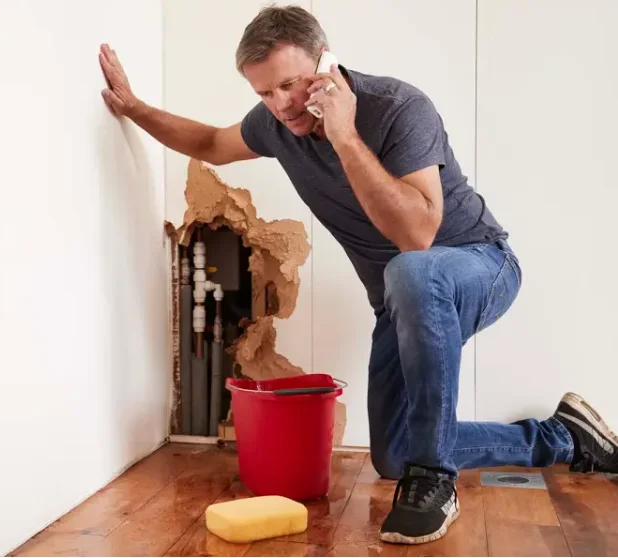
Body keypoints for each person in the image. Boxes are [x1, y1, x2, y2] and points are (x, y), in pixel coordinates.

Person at [98, 5, 618, 546]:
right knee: (394, 452)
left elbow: (417, 235)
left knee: (412, 270)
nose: (280, 106)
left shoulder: (399, 108)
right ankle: (562, 439)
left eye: (290, 86)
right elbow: (210, 144)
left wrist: (344, 136)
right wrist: (133, 106)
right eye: (264, 94)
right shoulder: (278, 125)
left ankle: (435, 481)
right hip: (399, 297)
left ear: (326, 63)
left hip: (479, 265)